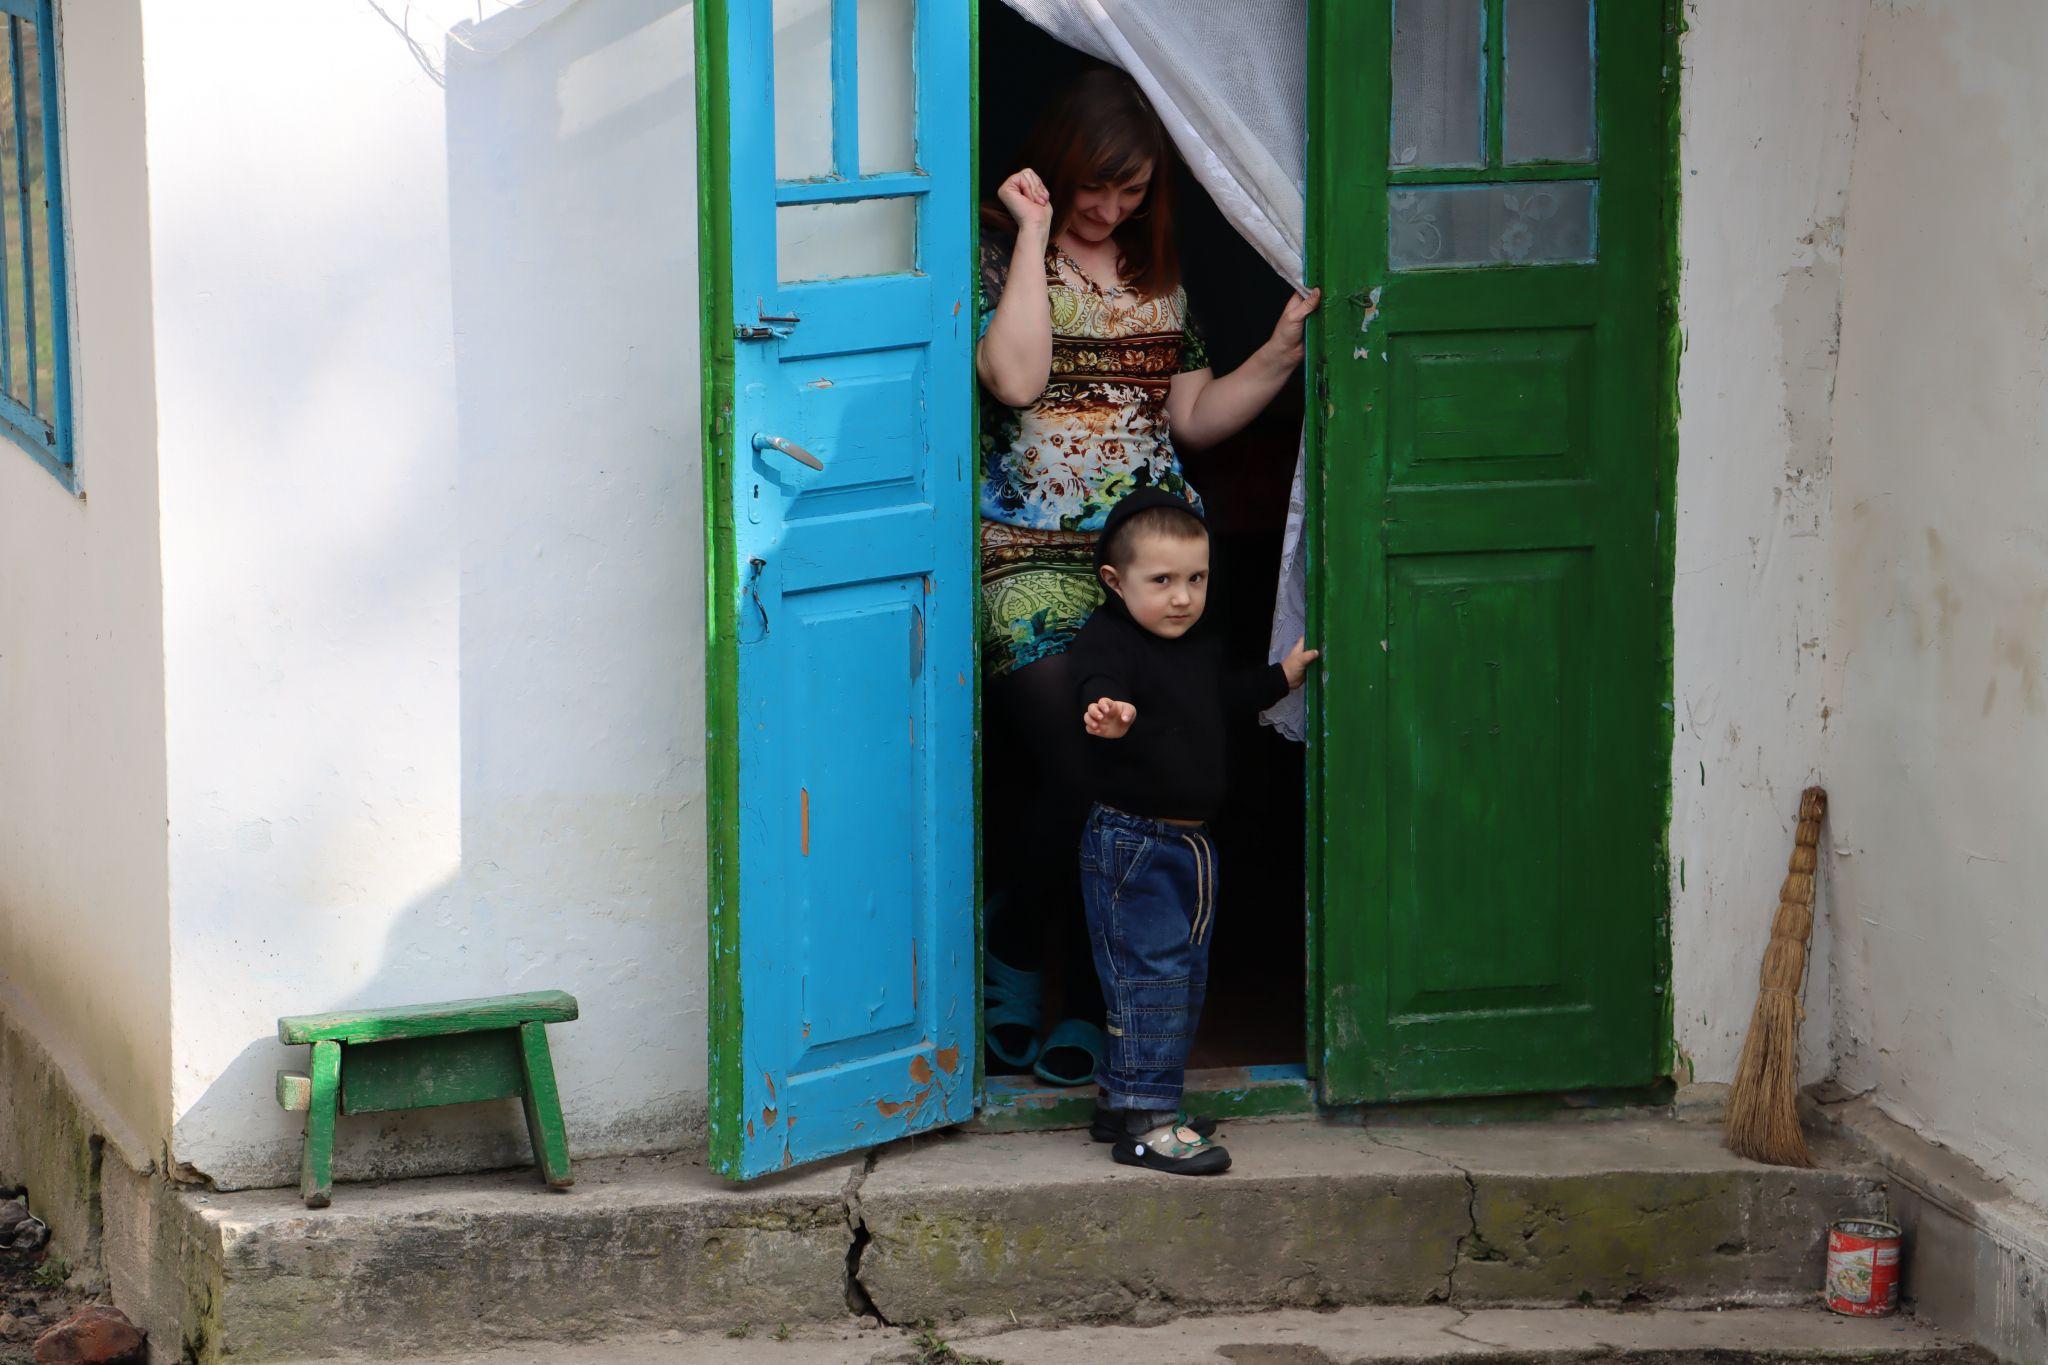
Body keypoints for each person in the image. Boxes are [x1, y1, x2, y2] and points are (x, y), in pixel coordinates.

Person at [976, 67, 1320, 1086]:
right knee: (1085, 761)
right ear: (1057, 166)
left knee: (1127, 776)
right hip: (1028, 559)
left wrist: (1278, 353)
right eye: (1093, 186)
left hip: (1148, 568)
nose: (1108, 208)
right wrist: (1035, 237)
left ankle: (1077, 993)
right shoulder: (995, 256)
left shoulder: (1156, 270)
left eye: (1128, 191)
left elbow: (1192, 417)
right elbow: (1016, 380)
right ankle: (1017, 942)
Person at [1070, 489, 1317, 1174]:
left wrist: (1283, 675)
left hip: (1188, 844)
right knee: (1149, 977)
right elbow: (1093, 680)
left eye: (1196, 579)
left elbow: (1228, 698)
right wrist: (1106, 711)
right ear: (1116, 583)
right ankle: (1149, 1124)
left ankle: (1125, 1100)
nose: (1182, 597)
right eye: (1162, 581)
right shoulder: (1111, 639)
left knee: (1177, 977)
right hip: (1134, 841)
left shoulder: (1197, 647)